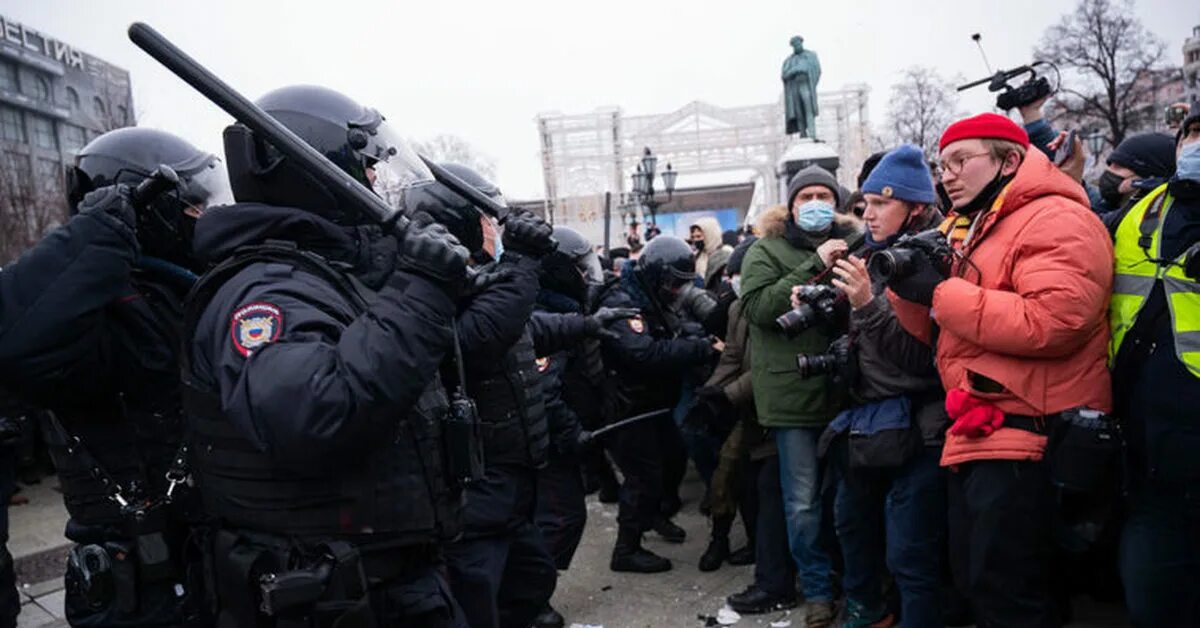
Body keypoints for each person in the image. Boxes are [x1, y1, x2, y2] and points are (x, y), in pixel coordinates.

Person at [180, 85, 471, 627]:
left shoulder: (328, 275)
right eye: (365, 167)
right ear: (314, 174)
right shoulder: (266, 289)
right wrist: (422, 290)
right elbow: (314, 411)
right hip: (333, 601)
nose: (377, 183)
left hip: (390, 581)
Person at [888, 113, 1113, 627]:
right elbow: (941, 335)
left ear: (1009, 160)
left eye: (961, 161)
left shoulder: (1055, 217)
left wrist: (939, 292)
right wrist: (907, 287)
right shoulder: (972, 226)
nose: (947, 175)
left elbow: (1056, 320)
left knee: (1011, 595)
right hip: (980, 428)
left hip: (1032, 433)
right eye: (942, 164)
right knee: (979, 585)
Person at [0, 127, 231, 626]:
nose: (204, 216)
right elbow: (12, 341)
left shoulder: (183, 290)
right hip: (139, 590)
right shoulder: (99, 312)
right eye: (193, 203)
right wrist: (95, 236)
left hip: (210, 561)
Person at [402, 162, 561, 628]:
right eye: (486, 218)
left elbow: (522, 329)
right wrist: (524, 262)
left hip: (509, 483)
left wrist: (589, 325)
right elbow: (479, 337)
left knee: (531, 581)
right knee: (477, 600)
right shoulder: (429, 283)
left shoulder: (481, 280)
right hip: (473, 492)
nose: (495, 229)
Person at [822, 144, 948, 627]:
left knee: (910, 551)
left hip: (919, 424)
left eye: (879, 204)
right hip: (868, 416)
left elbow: (923, 360)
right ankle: (867, 612)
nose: (865, 215)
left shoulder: (932, 257)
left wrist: (865, 304)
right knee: (851, 524)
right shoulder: (871, 251)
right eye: (865, 203)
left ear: (914, 206)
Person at [739, 165, 860, 628]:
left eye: (823, 196)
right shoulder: (764, 250)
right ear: (790, 206)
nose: (815, 204)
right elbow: (757, 309)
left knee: (850, 499)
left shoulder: (856, 243)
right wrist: (816, 265)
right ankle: (817, 591)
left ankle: (858, 582)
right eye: (805, 196)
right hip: (794, 398)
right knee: (803, 503)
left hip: (850, 392)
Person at [1110, 112, 1200, 627]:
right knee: (1151, 595)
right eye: (1191, 134)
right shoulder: (1142, 209)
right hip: (1147, 442)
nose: (1196, 145)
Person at [529, 226, 636, 628]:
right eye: (579, 265)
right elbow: (544, 389)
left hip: (556, 436)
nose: (586, 273)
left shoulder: (558, 308)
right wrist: (572, 431)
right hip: (550, 441)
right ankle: (529, 600)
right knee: (561, 518)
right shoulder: (548, 316)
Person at [594, 235, 716, 573]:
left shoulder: (650, 299)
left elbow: (669, 331)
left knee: (674, 459)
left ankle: (655, 516)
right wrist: (700, 348)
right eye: (672, 284)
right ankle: (626, 549)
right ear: (655, 276)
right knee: (642, 478)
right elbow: (643, 353)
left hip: (653, 404)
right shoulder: (623, 303)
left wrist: (693, 333)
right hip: (628, 410)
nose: (677, 292)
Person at [689, 237, 760, 573]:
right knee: (727, 472)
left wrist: (725, 394)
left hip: (768, 404)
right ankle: (721, 538)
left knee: (738, 471)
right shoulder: (737, 307)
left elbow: (767, 367)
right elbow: (732, 354)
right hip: (745, 402)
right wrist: (710, 392)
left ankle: (757, 543)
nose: (734, 281)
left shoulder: (772, 307)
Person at [690, 217, 733, 290]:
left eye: (698, 236)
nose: (695, 240)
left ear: (709, 235)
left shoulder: (726, 252)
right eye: (693, 237)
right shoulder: (697, 256)